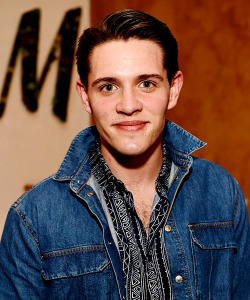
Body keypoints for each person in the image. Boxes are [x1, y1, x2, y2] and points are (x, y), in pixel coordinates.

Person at [0, 9, 249, 300]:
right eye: (108, 87)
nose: (128, 105)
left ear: (173, 89)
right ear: (85, 96)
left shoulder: (221, 193)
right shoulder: (33, 217)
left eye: (147, 84)